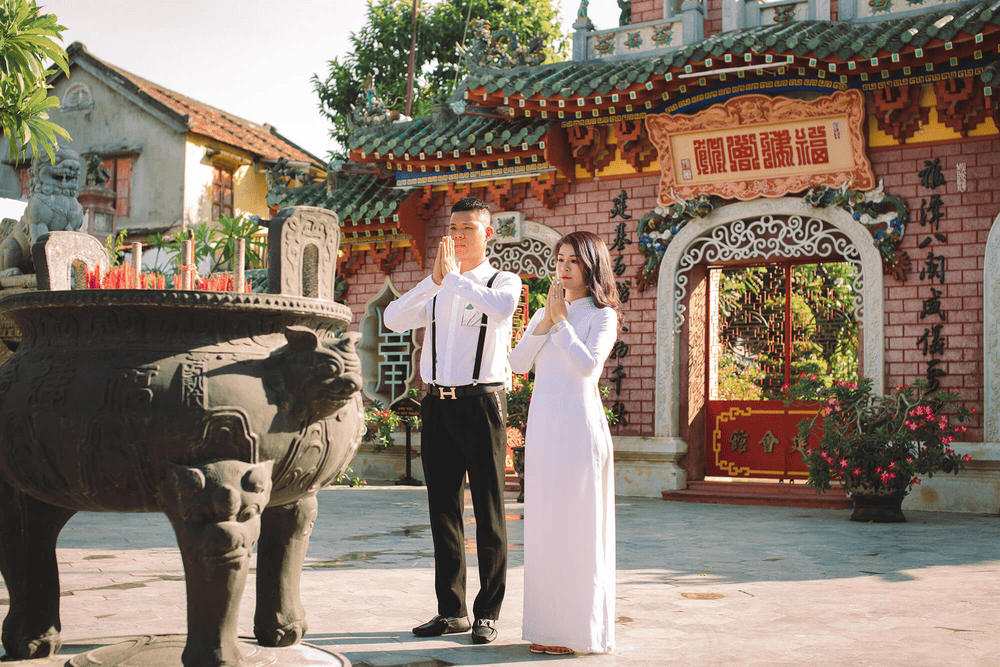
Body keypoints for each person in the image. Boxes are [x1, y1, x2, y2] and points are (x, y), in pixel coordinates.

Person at [383, 197, 521, 644]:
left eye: (469, 227)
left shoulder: (505, 281)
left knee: (488, 508)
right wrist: (433, 283)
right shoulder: (440, 286)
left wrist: (455, 281)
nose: (459, 234)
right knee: (443, 509)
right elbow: (392, 318)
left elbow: (500, 311)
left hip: (482, 403)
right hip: (437, 406)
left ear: (488, 233)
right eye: (454, 227)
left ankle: (487, 612)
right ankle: (452, 610)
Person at [508, 230, 620, 656]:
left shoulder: (601, 315)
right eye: (559, 259)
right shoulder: (546, 312)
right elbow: (518, 364)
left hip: (578, 430)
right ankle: (547, 628)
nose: (565, 266)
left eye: (574, 259)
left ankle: (578, 633)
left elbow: (588, 367)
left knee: (578, 527)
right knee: (544, 528)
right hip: (544, 430)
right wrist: (544, 322)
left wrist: (560, 324)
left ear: (591, 265)